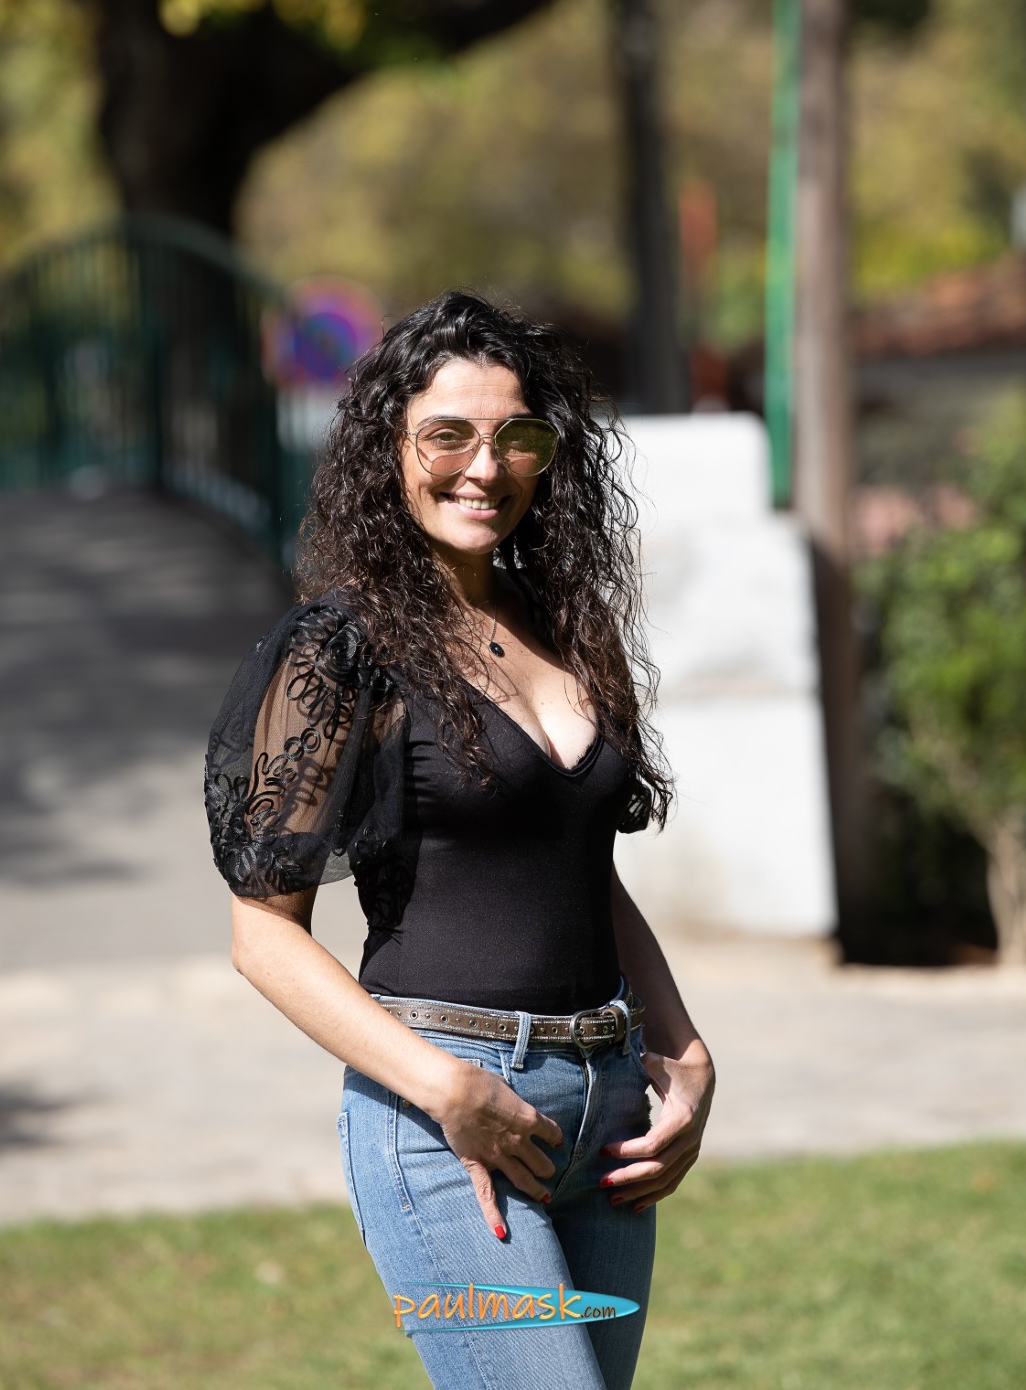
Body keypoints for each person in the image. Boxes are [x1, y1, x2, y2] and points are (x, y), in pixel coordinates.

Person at [205, 291, 715, 1389]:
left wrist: (682, 1047)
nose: (485, 468)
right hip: (445, 1115)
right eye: (448, 435)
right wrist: (446, 1090)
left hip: (610, 1113)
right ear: (389, 447)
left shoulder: (568, 623)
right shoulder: (337, 650)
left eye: (516, 437)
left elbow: (583, 869)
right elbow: (263, 934)